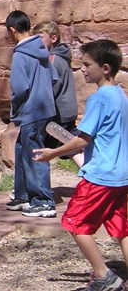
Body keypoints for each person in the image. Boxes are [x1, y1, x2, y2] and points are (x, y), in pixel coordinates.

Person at [34, 39, 128, 291]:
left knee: (76, 223)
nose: (83, 70)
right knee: (122, 228)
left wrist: (52, 153)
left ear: (105, 68)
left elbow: (80, 140)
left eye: (87, 65)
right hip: (121, 176)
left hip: (100, 178)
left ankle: (104, 276)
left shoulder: (100, 98)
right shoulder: (121, 95)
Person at [4, 11, 58, 218]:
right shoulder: (41, 50)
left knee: (35, 154)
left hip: (31, 111)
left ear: (12, 30)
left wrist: (16, 108)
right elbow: (53, 79)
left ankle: (43, 201)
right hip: (44, 109)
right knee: (22, 150)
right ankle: (23, 195)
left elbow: (19, 87)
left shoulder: (21, 53)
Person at [33, 20, 83, 168]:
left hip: (59, 114)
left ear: (53, 38)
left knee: (66, 147)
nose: (37, 41)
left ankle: (93, 176)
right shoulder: (62, 57)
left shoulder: (52, 60)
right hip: (66, 111)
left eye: (40, 37)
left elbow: (51, 88)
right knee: (71, 145)